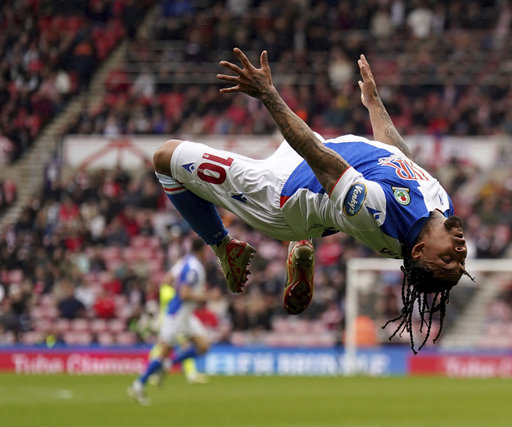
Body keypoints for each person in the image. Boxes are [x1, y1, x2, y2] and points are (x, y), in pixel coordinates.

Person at [152, 48, 471, 354]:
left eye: (447, 262)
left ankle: (225, 248)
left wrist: (267, 94)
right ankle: (304, 239)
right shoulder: (442, 207)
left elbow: (320, 160)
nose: (459, 254)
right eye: (460, 262)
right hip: (315, 166)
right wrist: (374, 104)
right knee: (331, 204)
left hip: (279, 195)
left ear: (419, 250)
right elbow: (402, 158)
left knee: (165, 158)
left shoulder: (379, 212)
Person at [128, 238, 213, 405]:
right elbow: (184, 294)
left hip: (187, 315)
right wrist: (206, 296)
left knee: (203, 345)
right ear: (202, 250)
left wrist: (179, 287)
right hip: (177, 314)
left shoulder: (184, 262)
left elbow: (167, 279)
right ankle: (138, 385)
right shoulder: (193, 268)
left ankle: (167, 365)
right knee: (163, 351)